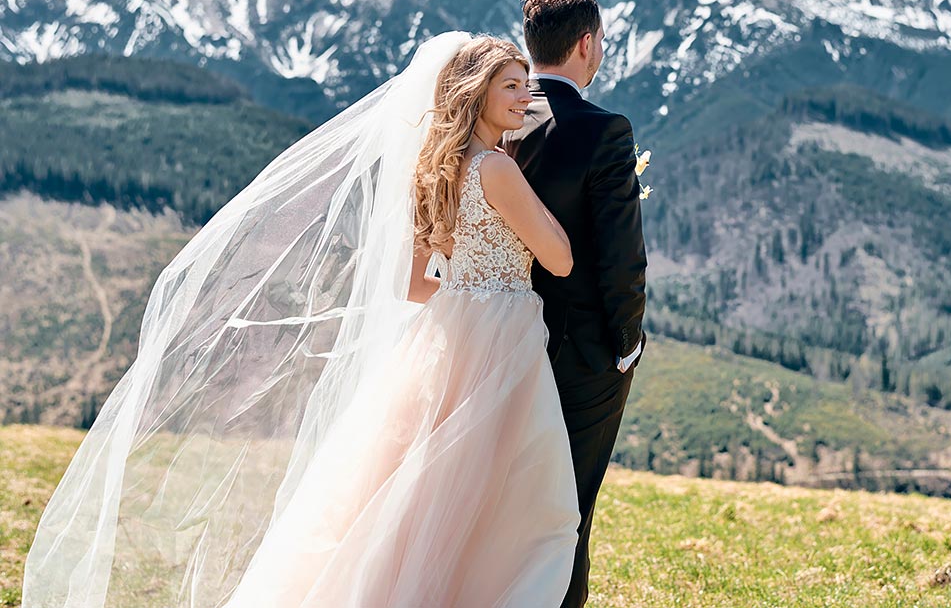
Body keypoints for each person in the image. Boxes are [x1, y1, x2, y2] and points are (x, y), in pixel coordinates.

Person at [22, 34, 585, 607]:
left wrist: (466, 281)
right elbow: (559, 258)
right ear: (475, 94)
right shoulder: (497, 170)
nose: (525, 97)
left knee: (416, 489)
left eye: (524, 84)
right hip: (498, 336)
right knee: (525, 503)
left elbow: (414, 284)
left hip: (443, 337)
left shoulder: (439, 169)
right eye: (510, 86)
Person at [502, 0, 648, 608]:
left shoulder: (494, 124)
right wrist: (627, 342)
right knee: (570, 504)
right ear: (586, 44)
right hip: (580, 352)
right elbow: (621, 257)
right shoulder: (604, 130)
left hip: (494, 340)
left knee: (500, 495)